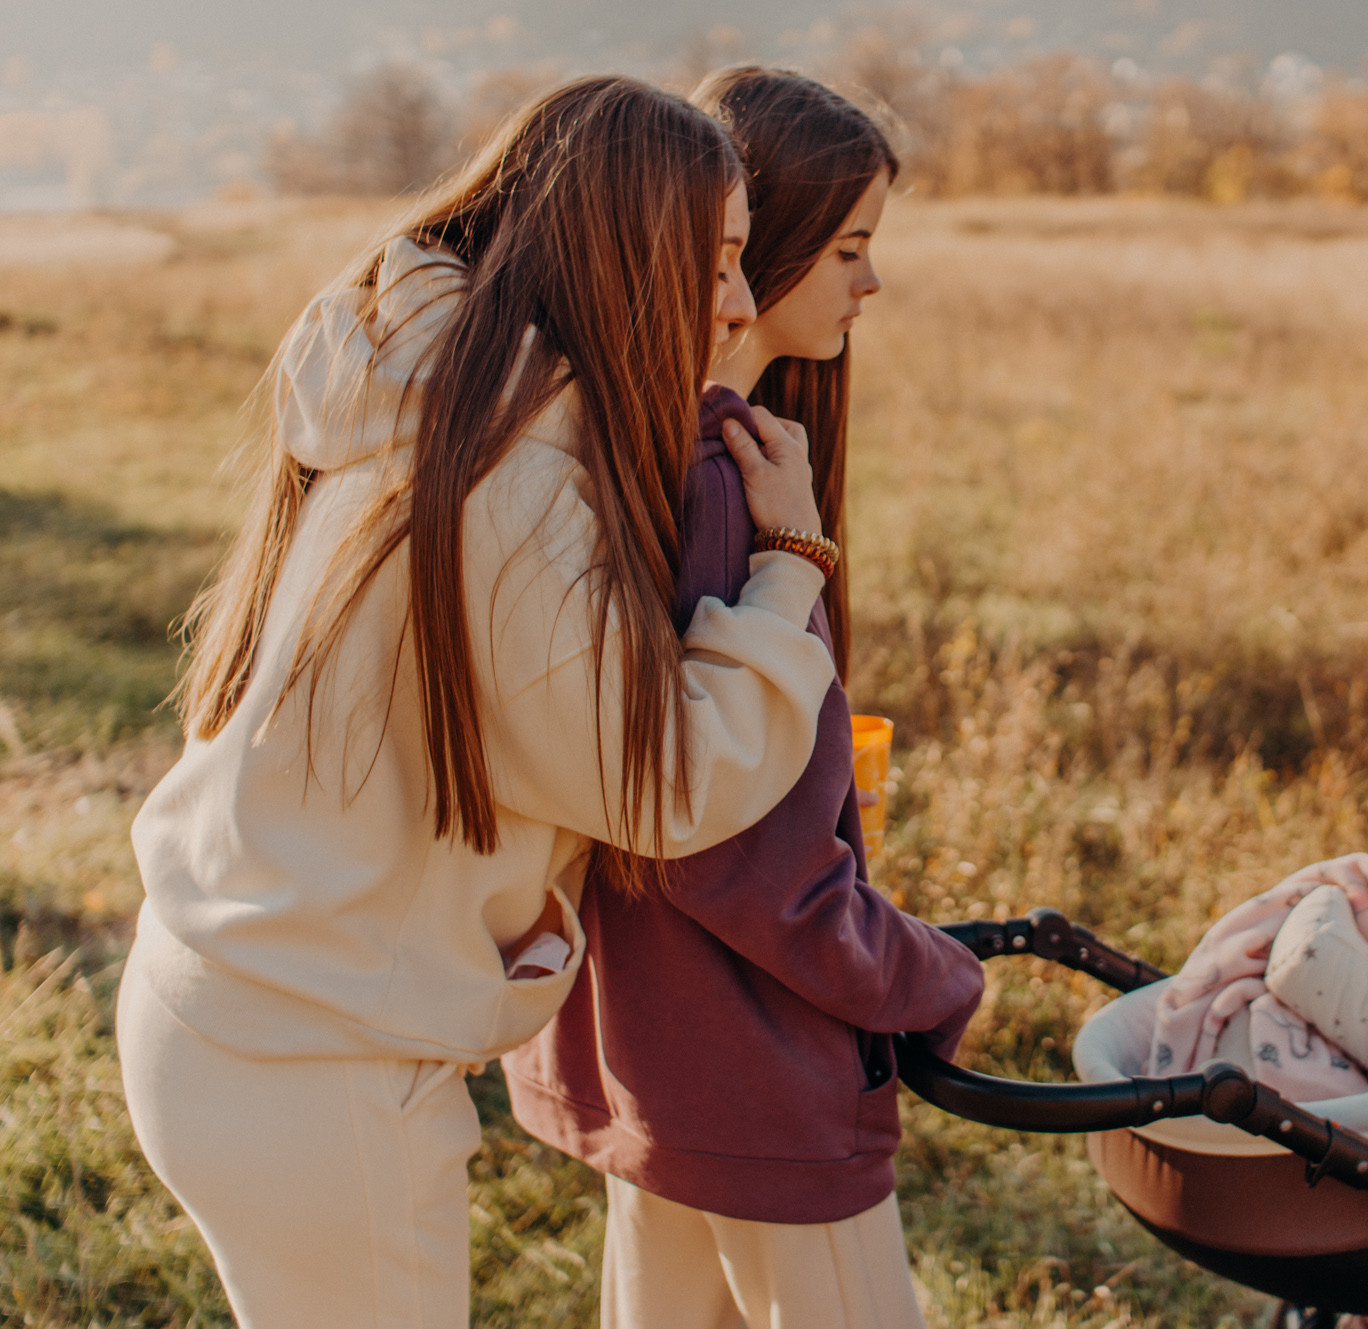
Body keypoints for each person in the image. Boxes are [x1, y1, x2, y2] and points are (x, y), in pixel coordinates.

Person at [116, 76, 841, 1328]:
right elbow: (665, 777)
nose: (736, 301)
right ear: (628, 260)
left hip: (228, 1011)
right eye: (718, 259)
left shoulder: (433, 401)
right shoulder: (511, 485)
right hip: (314, 1069)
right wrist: (789, 572)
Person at [502, 68, 986, 1329]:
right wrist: (925, 976)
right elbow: (730, 853)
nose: (868, 284)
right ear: (750, 254)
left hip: (650, 1046)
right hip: (756, 1066)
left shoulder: (643, 446)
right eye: (849, 246)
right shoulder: (728, 491)